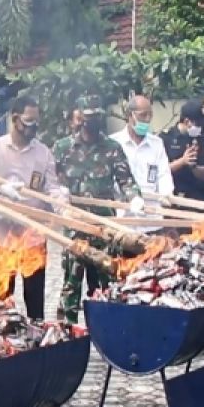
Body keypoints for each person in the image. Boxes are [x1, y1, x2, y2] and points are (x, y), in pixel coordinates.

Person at [53, 95, 142, 322]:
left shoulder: (112, 148)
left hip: (105, 229)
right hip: (76, 227)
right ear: (81, 116)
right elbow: (53, 182)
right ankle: (67, 334)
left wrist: (134, 198)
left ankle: (107, 329)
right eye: (89, 116)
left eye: (98, 116)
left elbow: (126, 180)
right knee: (71, 285)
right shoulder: (63, 148)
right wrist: (59, 198)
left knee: (106, 286)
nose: (93, 121)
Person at [0, 96, 64, 320]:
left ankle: (36, 344)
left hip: (32, 237)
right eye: (28, 121)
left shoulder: (43, 153)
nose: (33, 127)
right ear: (15, 120)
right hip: (1, 237)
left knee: (35, 299)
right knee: (0, 299)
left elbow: (51, 187)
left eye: (37, 122)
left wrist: (60, 201)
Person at [111, 93, 175, 234]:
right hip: (124, 222)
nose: (147, 120)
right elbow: (111, 179)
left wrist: (166, 194)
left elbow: (164, 175)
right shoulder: (114, 143)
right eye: (142, 115)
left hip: (152, 221)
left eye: (150, 115)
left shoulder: (157, 144)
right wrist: (131, 197)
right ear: (129, 115)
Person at [162, 100, 204, 202]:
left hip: (199, 199)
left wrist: (193, 165)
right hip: (174, 199)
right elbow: (160, 171)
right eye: (198, 124)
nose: (201, 128)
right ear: (186, 121)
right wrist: (182, 161)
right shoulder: (165, 138)